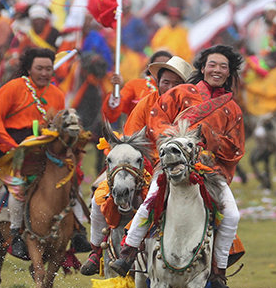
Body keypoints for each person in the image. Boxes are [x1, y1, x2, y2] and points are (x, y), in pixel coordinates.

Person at [111, 45, 244, 288]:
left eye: (223, 66)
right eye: (212, 64)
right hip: (173, 162)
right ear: (203, 68)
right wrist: (177, 140)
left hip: (208, 169)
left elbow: (235, 149)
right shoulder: (180, 92)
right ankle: (128, 252)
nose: (217, 70)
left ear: (229, 73)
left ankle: (218, 272)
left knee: (232, 215)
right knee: (150, 203)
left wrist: (211, 139)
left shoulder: (233, 109)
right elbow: (156, 121)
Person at [80, 55, 194, 276]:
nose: (169, 87)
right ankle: (96, 250)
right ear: (157, 82)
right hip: (141, 166)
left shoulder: (192, 107)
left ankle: (211, 263)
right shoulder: (146, 103)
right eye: (165, 82)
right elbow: (130, 139)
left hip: (181, 169)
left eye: (176, 83)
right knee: (98, 198)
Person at [0, 48, 66, 259]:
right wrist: (11, 147)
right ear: (29, 68)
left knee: (68, 180)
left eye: (48, 69)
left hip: (44, 151)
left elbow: (59, 126)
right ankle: (15, 233)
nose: (44, 73)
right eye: (39, 68)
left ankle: (77, 231)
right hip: (13, 150)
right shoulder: (13, 88)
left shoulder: (57, 94)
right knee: (17, 185)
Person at [102, 50, 173, 123]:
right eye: (158, 66)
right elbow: (111, 115)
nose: (162, 70)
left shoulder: (177, 89)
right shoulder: (135, 85)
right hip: (136, 133)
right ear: (150, 67)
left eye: (166, 66)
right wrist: (115, 90)